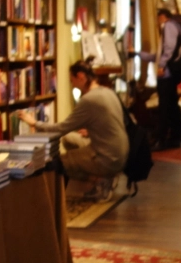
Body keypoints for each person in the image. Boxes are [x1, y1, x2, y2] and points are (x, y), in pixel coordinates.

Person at [19, 62, 129, 199]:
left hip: (107, 157)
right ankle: (102, 178)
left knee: (60, 162)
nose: (72, 85)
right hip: (121, 152)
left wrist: (35, 123)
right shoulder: (108, 92)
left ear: (81, 77)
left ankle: (100, 181)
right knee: (69, 139)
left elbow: (61, 129)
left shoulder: (89, 100)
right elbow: (114, 123)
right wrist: (91, 131)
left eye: (72, 81)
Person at [156, 8, 181, 149]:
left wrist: (161, 65)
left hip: (166, 73)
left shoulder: (168, 26)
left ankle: (162, 140)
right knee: (172, 105)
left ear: (162, 17)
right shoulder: (177, 27)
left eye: (158, 18)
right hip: (172, 73)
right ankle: (175, 136)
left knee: (165, 107)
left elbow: (168, 47)